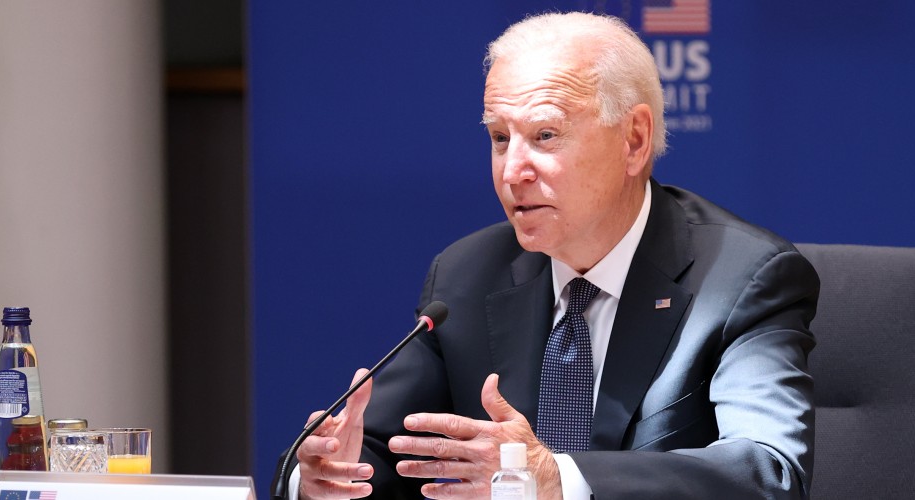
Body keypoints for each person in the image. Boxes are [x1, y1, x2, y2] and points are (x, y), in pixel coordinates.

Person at [290, 12, 818, 500]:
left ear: (634, 140)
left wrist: (557, 480)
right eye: (500, 137)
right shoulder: (466, 276)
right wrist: (321, 478)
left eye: (545, 135)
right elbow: (379, 451)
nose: (512, 170)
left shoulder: (742, 278)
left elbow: (769, 470)